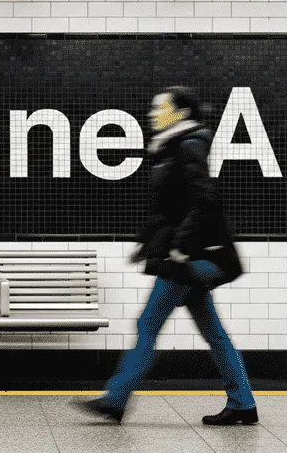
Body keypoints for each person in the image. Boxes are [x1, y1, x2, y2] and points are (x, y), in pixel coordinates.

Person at [74, 86, 257, 426]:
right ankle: (243, 402)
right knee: (213, 333)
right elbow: (170, 208)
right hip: (189, 257)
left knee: (148, 324)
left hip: (187, 260)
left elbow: (204, 200)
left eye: (160, 107)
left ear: (180, 112)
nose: (152, 113)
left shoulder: (188, 145)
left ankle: (116, 398)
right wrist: (146, 243)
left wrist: (181, 246)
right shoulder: (173, 147)